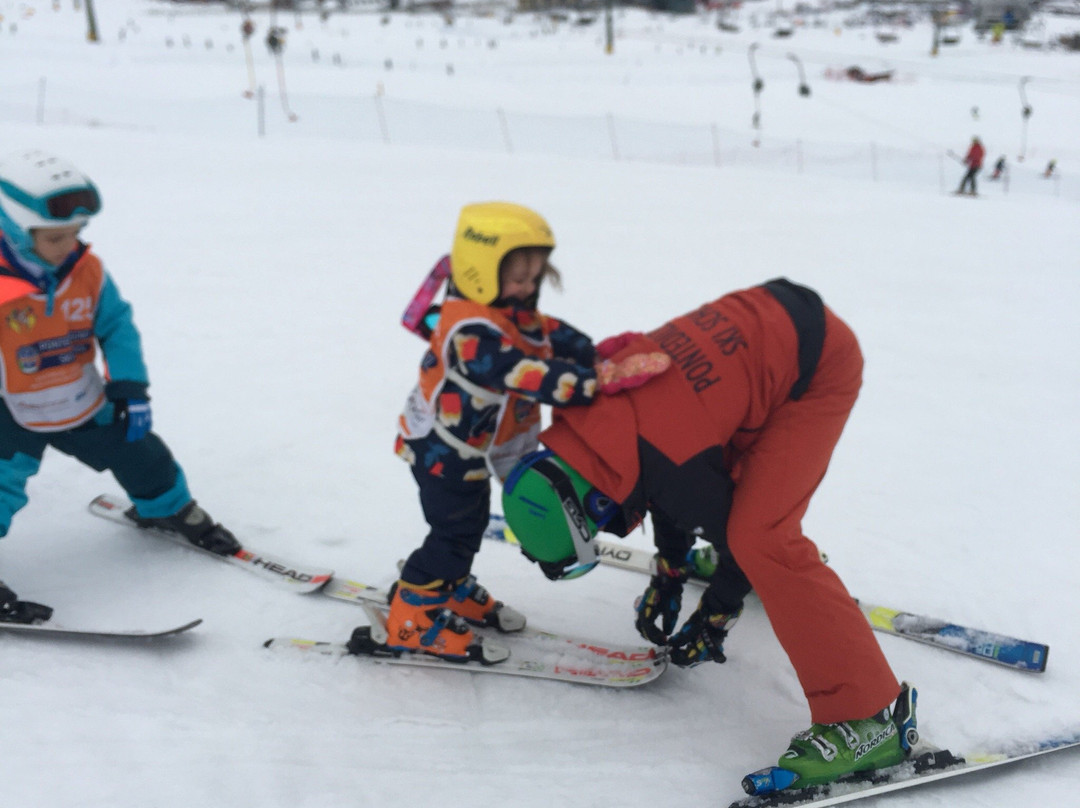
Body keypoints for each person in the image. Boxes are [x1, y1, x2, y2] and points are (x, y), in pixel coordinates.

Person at [501, 278, 917, 791]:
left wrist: (718, 609)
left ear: (592, 503)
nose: (608, 530)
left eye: (596, 531)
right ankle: (753, 562)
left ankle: (871, 719)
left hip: (816, 362)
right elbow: (657, 475)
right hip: (764, 333)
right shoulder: (588, 421)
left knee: (759, 537)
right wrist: (669, 574)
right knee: (732, 518)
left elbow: (674, 477)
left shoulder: (673, 465)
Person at [380, 201, 631, 663]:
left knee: (468, 526)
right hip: (440, 455)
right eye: (518, 278)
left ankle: (448, 588)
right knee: (452, 535)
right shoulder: (469, 333)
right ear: (481, 273)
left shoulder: (506, 314)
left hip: (466, 456)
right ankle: (413, 613)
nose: (528, 289)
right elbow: (517, 371)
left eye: (534, 279)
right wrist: (589, 384)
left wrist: (592, 354)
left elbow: (549, 334)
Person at [0, 149, 239, 625]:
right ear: (12, 228)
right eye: (55, 237)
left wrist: (130, 388)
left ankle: (166, 510)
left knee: (142, 454)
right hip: (12, 411)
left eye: (76, 234)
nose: (70, 245)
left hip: (81, 399)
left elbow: (115, 325)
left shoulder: (86, 272)